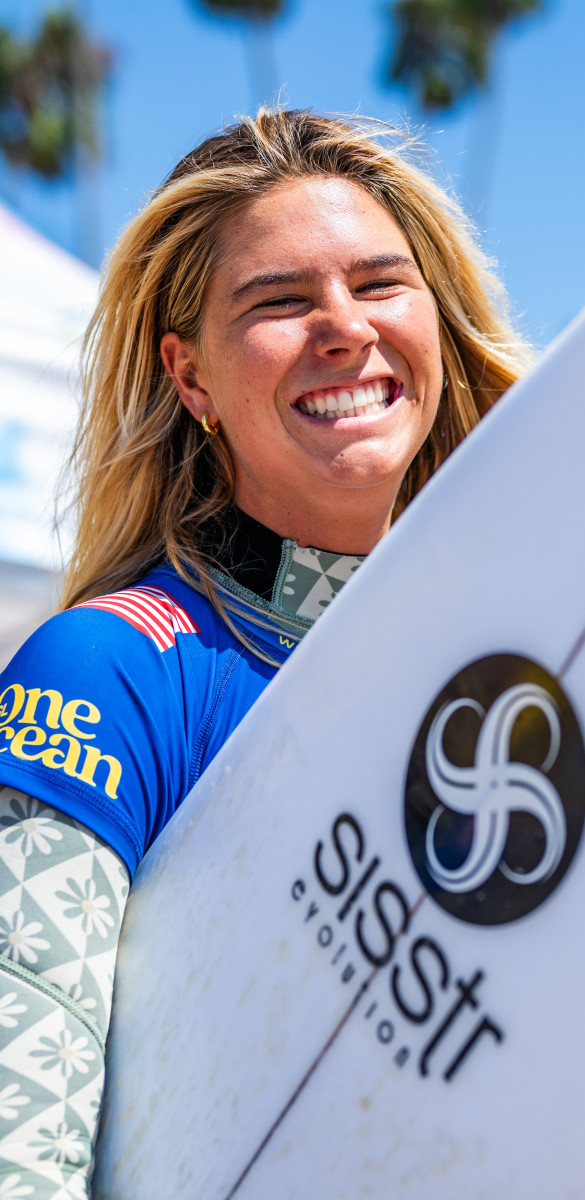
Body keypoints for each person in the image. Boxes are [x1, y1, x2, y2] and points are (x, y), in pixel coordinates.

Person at [0, 108, 529, 1197]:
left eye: (381, 284)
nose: (344, 327)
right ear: (190, 379)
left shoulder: (521, 670)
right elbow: (22, 1131)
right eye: (280, 303)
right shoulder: (108, 673)